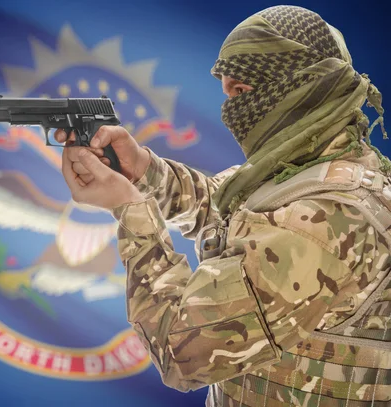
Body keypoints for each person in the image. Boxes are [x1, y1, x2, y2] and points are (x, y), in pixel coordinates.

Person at [56, 5, 391, 407]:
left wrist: (130, 209)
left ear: (299, 85)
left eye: (241, 92)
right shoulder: (308, 170)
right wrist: (142, 168)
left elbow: (182, 354)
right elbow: (222, 207)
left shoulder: (326, 219)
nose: (231, 109)